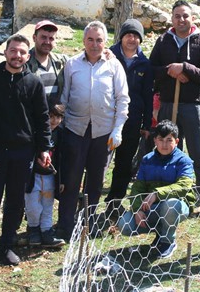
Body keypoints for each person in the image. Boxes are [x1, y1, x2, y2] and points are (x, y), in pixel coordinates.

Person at [0, 34, 52, 271]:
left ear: (27, 56)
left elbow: (42, 119)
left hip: (23, 153)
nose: (17, 55)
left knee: (15, 202)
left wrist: (43, 148)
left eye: (22, 52)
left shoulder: (33, 83)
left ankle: (7, 246)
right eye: (13, 50)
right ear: (6, 52)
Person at [57, 21, 129, 240]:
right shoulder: (72, 65)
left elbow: (122, 98)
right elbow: (64, 97)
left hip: (103, 133)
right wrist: (60, 127)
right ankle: (66, 227)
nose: (95, 44)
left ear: (105, 42)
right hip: (75, 130)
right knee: (71, 180)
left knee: (95, 181)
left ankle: (86, 224)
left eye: (99, 40)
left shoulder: (114, 66)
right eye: (90, 39)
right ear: (83, 41)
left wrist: (118, 129)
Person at [149, 0, 200, 216]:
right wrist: (170, 69)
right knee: (166, 151)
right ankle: (166, 198)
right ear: (172, 19)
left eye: (186, 16)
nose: (182, 19)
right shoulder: (163, 41)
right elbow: (152, 70)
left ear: (192, 18)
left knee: (199, 154)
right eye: (178, 16)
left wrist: (185, 68)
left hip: (193, 106)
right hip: (169, 104)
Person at [116, 120, 196, 259]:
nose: (164, 145)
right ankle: (161, 230)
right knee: (125, 225)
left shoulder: (184, 161)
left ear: (176, 141)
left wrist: (157, 194)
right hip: (151, 208)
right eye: (161, 140)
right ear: (155, 141)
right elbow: (137, 188)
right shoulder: (147, 159)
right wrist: (137, 210)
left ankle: (167, 241)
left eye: (169, 140)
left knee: (171, 204)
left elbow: (184, 186)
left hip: (177, 206)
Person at [105, 19, 154, 212]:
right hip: (107, 118)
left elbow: (148, 95)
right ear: (121, 37)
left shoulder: (144, 64)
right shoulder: (108, 56)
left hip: (132, 120)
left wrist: (147, 122)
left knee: (124, 163)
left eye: (136, 36)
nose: (132, 39)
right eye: (128, 35)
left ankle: (114, 202)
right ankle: (86, 204)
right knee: (101, 163)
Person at [24, 103, 66, 248]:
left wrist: (61, 180)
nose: (54, 121)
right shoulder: (35, 132)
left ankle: (46, 231)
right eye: (50, 117)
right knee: (33, 206)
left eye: (58, 117)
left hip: (50, 176)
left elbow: (61, 158)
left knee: (48, 205)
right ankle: (33, 229)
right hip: (33, 176)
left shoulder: (60, 134)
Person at [27, 20, 67, 102]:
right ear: (34, 38)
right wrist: (51, 107)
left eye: (51, 38)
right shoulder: (24, 63)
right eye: (43, 37)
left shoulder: (61, 62)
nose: (47, 42)